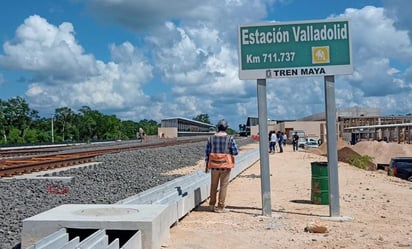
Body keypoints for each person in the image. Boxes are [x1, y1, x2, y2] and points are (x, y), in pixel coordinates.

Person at [205, 119, 239, 213]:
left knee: (213, 185)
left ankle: (212, 205)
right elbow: (235, 152)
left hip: (214, 166)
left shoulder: (210, 138)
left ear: (217, 127)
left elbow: (207, 153)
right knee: (223, 186)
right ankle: (220, 207)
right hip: (225, 166)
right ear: (226, 128)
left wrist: (207, 165)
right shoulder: (230, 138)